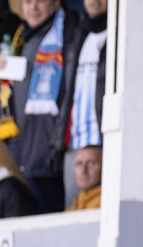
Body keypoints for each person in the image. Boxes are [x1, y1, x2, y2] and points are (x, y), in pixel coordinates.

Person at [0, 0, 73, 215]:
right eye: (28, 2)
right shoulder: (20, 40)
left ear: (56, 3)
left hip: (49, 149)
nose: (33, 8)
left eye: (41, 1)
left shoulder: (68, 35)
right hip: (23, 149)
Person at [63, 0, 107, 195]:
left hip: (104, 140)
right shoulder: (79, 35)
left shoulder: (119, 33)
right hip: (75, 143)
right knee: (75, 213)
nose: (94, 1)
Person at [67, 144, 102, 211]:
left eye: (91, 163)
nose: (83, 171)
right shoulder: (77, 203)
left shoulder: (106, 203)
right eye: (79, 164)